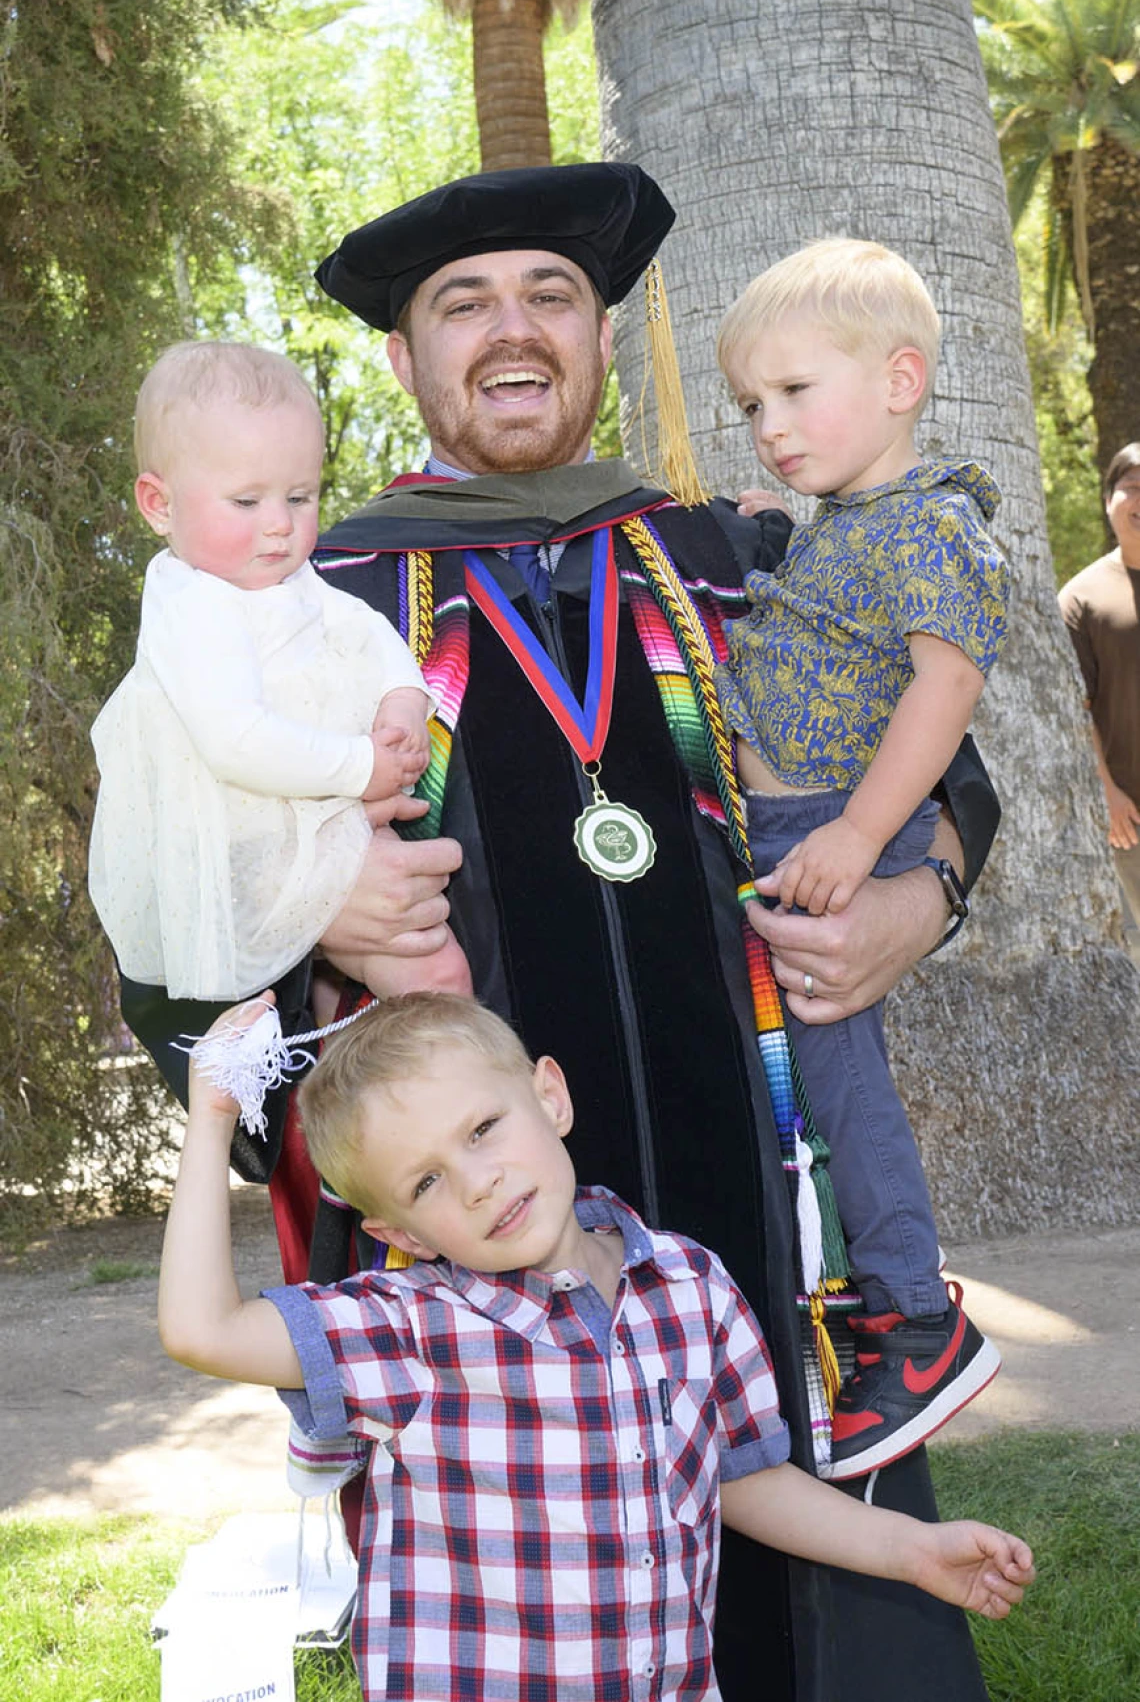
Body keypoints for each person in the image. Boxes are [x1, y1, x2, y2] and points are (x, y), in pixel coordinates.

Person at [120, 164, 1003, 1702]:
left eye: (551, 295)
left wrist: (909, 905)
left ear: (602, 338)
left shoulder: (736, 554)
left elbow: (949, 771)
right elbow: (155, 900)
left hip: (766, 1233)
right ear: (404, 359)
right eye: (462, 303)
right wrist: (309, 909)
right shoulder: (307, 601)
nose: (511, 329)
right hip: (482, 1262)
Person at [159, 991, 1035, 1702]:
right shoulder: (405, 1328)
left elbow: (748, 1479)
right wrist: (211, 1119)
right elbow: (202, 1329)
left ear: (550, 1095)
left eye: (482, 1129)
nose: (479, 1180)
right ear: (405, 1233)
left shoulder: (692, 1284)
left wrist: (908, 1549)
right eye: (428, 1180)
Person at [713, 240, 1008, 1479]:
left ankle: (922, 1320)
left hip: (822, 833)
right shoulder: (852, 525)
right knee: (791, 1085)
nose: (770, 426)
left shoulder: (932, 524)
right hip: (778, 830)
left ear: (900, 379)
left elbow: (945, 689)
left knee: (840, 1079)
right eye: (750, 407)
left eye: (793, 392)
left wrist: (853, 833)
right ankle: (836, 1282)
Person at [88, 341, 470, 1005]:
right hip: (257, 848)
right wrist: (362, 767)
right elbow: (236, 742)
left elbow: (367, 630)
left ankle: (435, 1084)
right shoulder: (193, 605)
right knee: (430, 977)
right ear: (159, 504)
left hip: (329, 826)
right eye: (245, 502)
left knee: (432, 978)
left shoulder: (288, 578)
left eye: (299, 496)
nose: (279, 527)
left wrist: (402, 701)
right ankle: (442, 1092)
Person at [1058, 442, 1140, 966]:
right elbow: (1076, 709)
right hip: (1131, 814)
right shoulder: (1081, 597)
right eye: (1131, 486)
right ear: (1109, 499)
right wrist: (1106, 790)